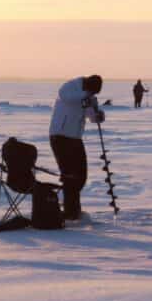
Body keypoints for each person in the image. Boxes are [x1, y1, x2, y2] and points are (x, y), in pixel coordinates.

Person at [49, 75, 105, 220]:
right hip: (60, 136)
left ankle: (72, 207)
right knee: (70, 175)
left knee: (81, 175)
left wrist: (98, 115)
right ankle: (70, 210)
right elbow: (66, 97)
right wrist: (86, 97)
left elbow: (91, 116)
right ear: (87, 86)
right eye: (92, 92)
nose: (92, 95)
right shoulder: (70, 87)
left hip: (75, 138)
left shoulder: (88, 96)